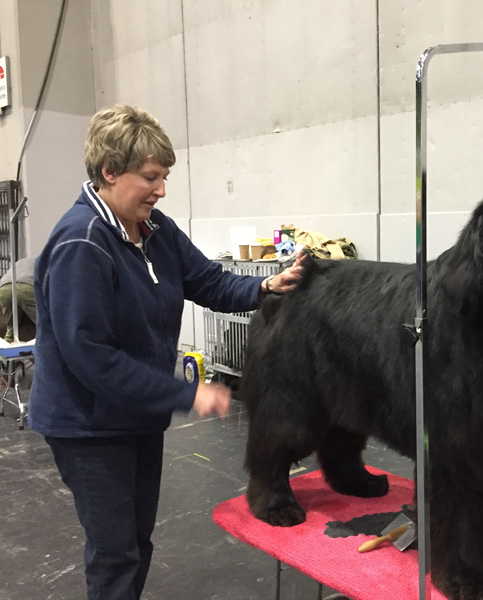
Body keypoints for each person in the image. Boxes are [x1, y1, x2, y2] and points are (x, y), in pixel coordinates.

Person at [28, 104, 306, 600]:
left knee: (136, 540)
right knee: (115, 551)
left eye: (165, 176)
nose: (161, 189)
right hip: (89, 425)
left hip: (136, 414)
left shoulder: (156, 229)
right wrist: (184, 393)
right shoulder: (81, 242)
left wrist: (267, 285)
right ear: (110, 171)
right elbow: (91, 356)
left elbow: (209, 282)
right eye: (151, 177)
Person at [0, 255, 36, 343]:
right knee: (46, 325)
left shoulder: (28, 261)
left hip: (4, 288)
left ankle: (5, 350)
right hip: (27, 286)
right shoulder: (49, 264)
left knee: (11, 331)